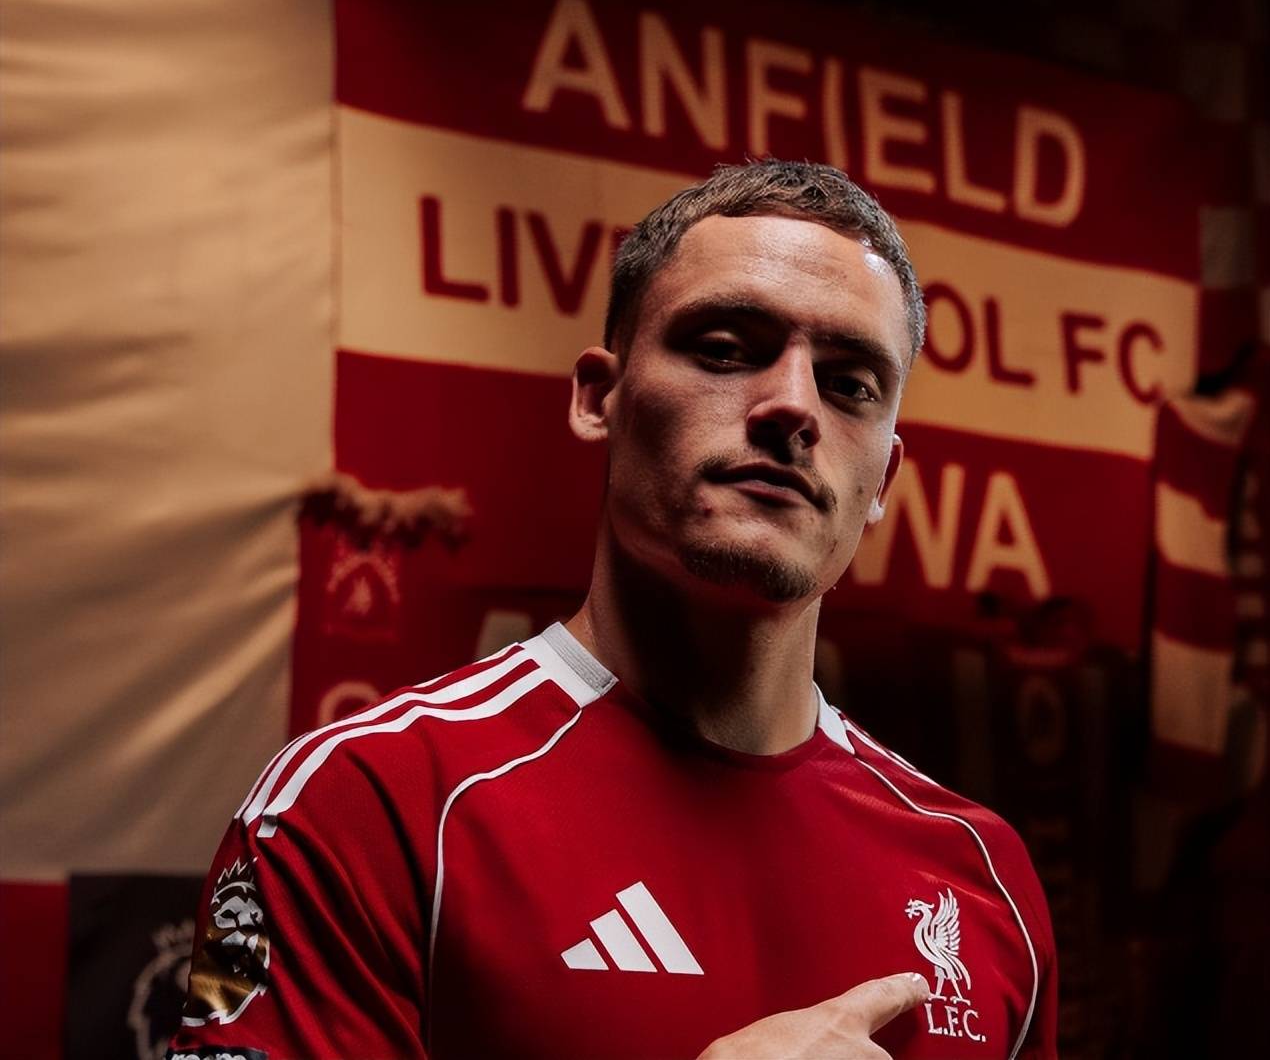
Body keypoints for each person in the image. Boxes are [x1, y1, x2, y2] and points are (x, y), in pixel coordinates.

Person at [168, 160, 1057, 1060]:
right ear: (600, 398)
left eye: (850, 383)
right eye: (725, 348)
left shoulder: (983, 879)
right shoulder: (364, 804)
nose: (793, 406)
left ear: (884, 478)